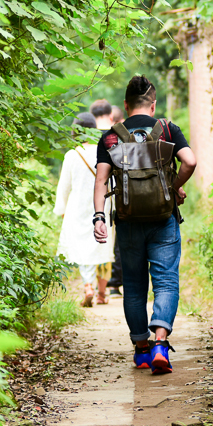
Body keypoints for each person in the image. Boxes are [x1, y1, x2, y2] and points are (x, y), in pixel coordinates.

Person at [92, 76, 197, 374]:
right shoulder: (166, 129)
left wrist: (99, 216)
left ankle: (141, 349)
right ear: (153, 104)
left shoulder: (111, 137)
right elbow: (190, 162)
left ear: (125, 106)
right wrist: (173, 188)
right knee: (165, 280)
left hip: (127, 222)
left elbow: (101, 180)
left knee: (135, 287)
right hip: (163, 220)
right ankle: (161, 343)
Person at [55, 112, 114, 307]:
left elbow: (64, 186)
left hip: (78, 207)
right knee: (102, 245)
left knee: (83, 248)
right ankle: (102, 293)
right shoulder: (104, 151)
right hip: (102, 206)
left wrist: (61, 209)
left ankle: (88, 285)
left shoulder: (72, 155)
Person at [90, 99, 124, 298]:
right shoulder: (114, 136)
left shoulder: (86, 136)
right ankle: (112, 284)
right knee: (116, 241)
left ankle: (94, 285)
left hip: (95, 195)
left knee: (96, 239)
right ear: (111, 115)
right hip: (115, 195)